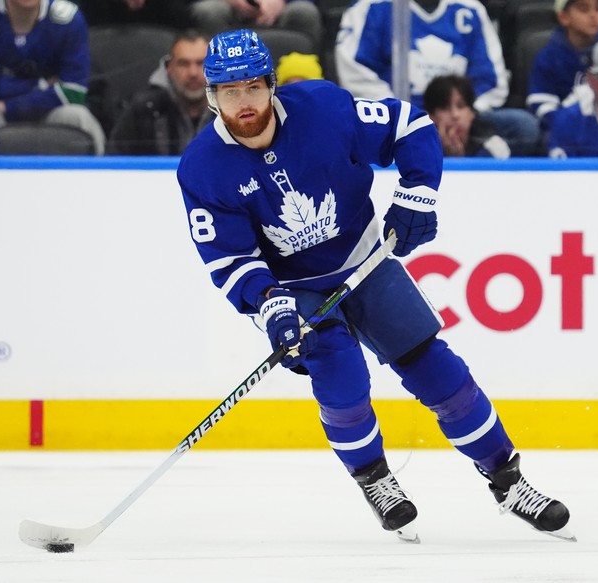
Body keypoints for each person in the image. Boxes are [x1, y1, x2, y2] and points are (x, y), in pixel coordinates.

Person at [177, 29, 573, 543]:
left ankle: (508, 481)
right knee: (340, 378)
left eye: (252, 87)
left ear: (272, 85)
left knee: (440, 373)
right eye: (229, 91)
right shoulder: (203, 168)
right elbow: (229, 258)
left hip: (365, 260)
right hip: (295, 289)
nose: (244, 102)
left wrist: (418, 193)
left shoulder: (322, 108)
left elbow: (410, 126)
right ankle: (375, 478)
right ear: (212, 96)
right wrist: (270, 305)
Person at [335, 0, 541, 156]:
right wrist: (413, 116)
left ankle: (473, 156)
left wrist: (461, 114)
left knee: (523, 126)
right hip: (394, 118)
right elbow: (354, 70)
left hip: (461, 114)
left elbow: (491, 79)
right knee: (350, 128)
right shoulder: (372, 7)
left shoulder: (469, 9)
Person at [0, 0, 106, 154]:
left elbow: (73, 92)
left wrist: (8, 105)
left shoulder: (69, 18)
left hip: (48, 110)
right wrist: (42, 84)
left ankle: (102, 175)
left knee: (78, 115)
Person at [108, 29, 215, 155]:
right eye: (183, 64)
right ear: (169, 67)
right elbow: (115, 164)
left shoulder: (234, 111)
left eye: (201, 63)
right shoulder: (144, 110)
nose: (193, 73)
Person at [527, 0, 598, 129]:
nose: (593, 15)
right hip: (563, 129)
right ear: (563, 17)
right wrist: (565, 124)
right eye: (584, 9)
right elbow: (541, 104)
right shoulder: (548, 57)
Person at [424, 75, 511, 158]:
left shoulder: (493, 147)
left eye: (461, 106)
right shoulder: (419, 149)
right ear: (431, 116)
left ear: (472, 113)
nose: (455, 115)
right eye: (445, 108)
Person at [190, 0, 323, 48]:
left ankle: (308, 82)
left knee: (304, 11)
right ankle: (215, 77)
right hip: (228, 10)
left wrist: (281, 2)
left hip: (282, 10)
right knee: (209, 10)